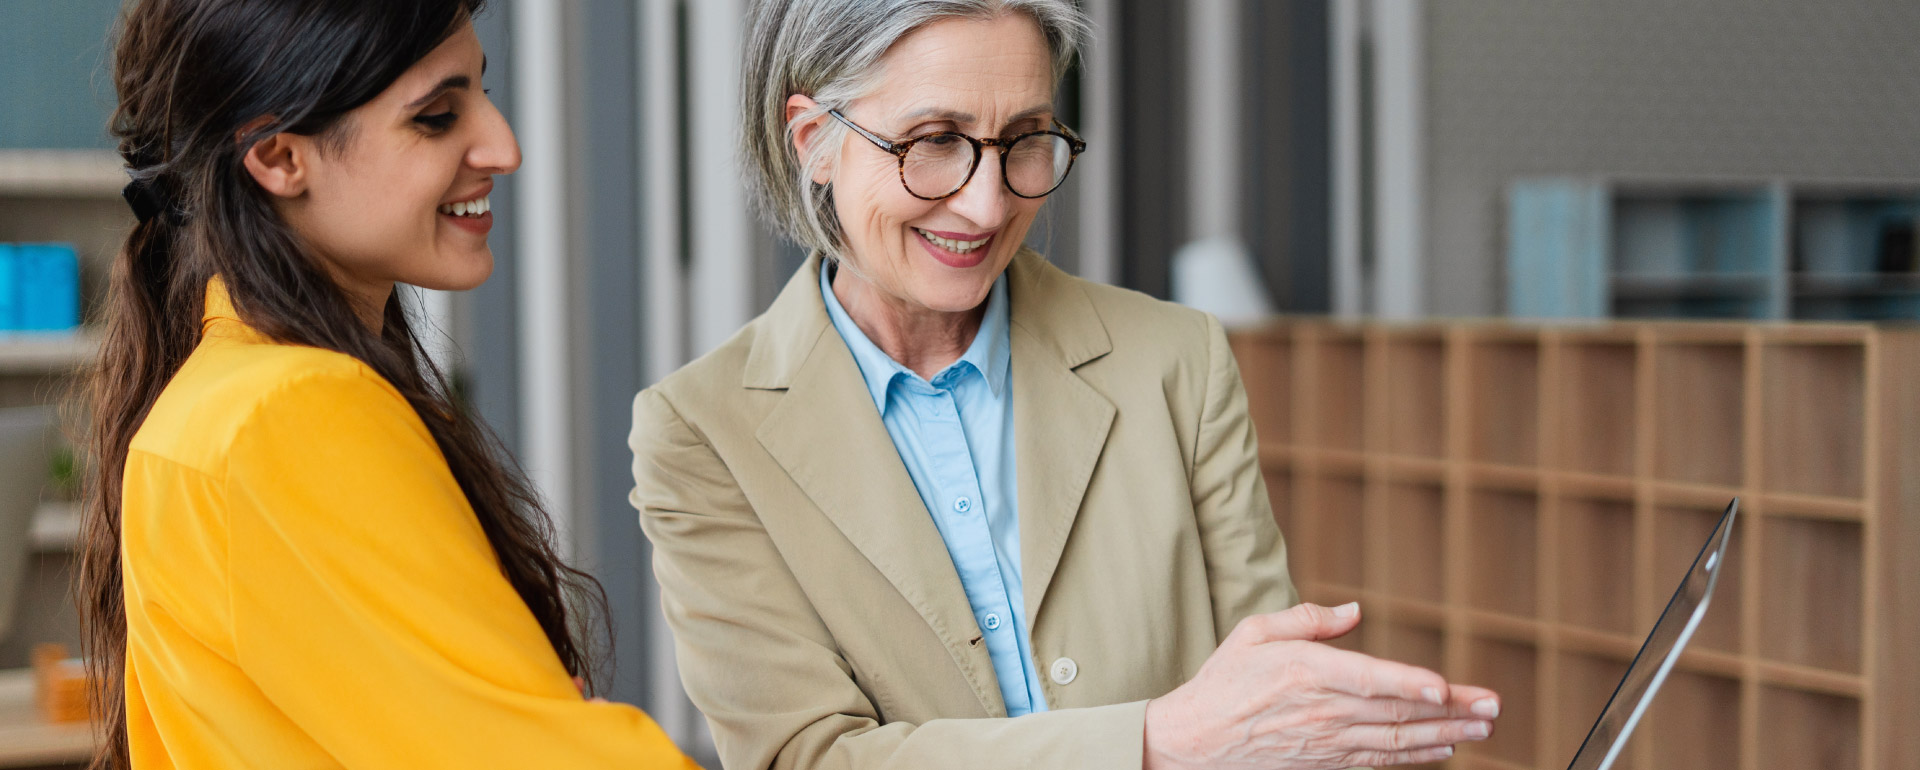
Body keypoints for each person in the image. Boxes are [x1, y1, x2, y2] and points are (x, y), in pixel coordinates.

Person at [630, 1, 1502, 768]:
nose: (986, 205)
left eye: (1024, 141)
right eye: (935, 143)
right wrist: (1156, 744)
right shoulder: (701, 432)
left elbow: (1270, 718)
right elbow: (808, 759)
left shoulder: (1176, 359)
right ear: (814, 141)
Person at [78, 1, 699, 767]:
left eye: (482, 93)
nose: (503, 147)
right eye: (436, 117)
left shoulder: (216, 402)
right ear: (279, 158)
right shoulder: (292, 414)